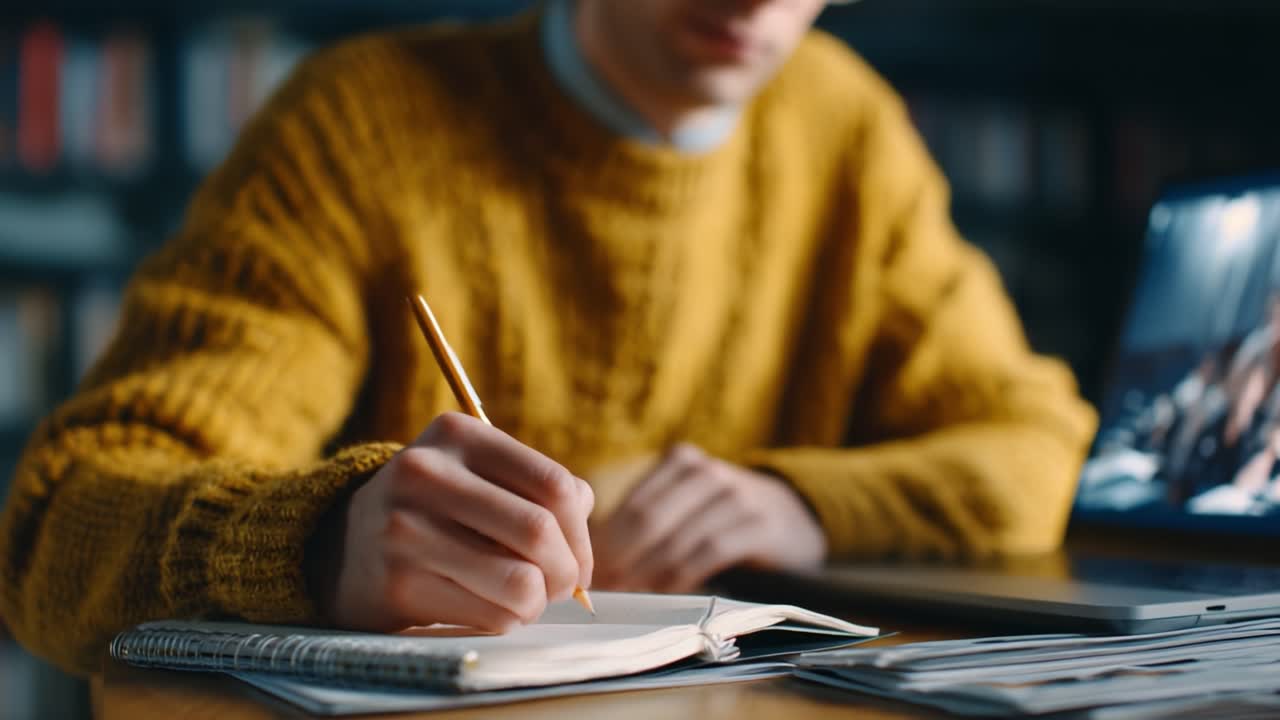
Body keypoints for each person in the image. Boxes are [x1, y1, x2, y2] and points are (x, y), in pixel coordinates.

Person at [0, 0, 1097, 675]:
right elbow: (57, 534)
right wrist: (324, 542)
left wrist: (798, 504)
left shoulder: (845, 129)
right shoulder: (360, 125)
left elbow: (1033, 444)